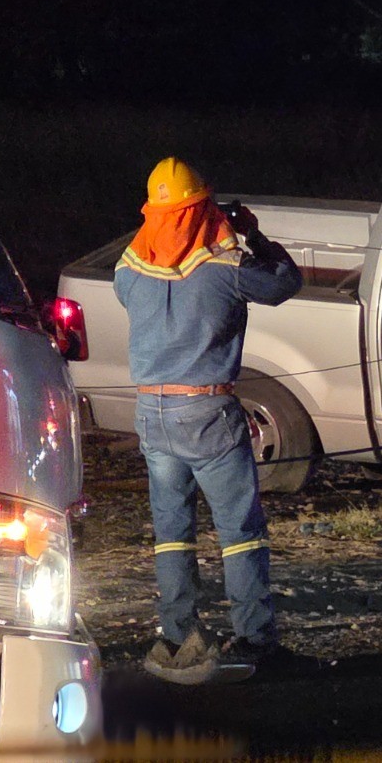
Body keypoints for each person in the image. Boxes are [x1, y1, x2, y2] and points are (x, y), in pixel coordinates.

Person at [114, 156, 303, 684]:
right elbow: (286, 282)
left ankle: (178, 635)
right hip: (207, 413)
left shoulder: (128, 272)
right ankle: (256, 640)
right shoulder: (227, 271)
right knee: (239, 532)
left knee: (172, 532)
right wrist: (253, 237)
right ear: (204, 209)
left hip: (151, 413)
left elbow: (151, 247)